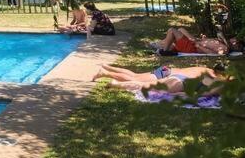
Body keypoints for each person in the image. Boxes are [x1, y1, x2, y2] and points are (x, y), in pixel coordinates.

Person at [92, 63, 223, 84]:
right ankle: (105, 73)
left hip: (168, 69)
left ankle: (107, 67)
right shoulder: (211, 74)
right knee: (134, 79)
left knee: (135, 75)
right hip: (168, 74)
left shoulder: (204, 68)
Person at [154, 27, 240, 55]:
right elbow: (209, 44)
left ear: (236, 46)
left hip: (192, 47)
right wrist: (204, 39)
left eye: (236, 42)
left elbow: (211, 53)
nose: (233, 39)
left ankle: (164, 51)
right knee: (180, 29)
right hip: (195, 42)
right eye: (234, 39)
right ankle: (160, 44)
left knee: (172, 30)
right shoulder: (223, 42)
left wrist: (199, 46)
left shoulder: (225, 48)